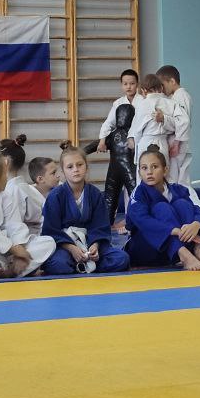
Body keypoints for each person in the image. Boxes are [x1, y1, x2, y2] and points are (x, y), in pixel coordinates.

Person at [126, 145, 200, 270]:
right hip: (146, 248)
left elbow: (198, 211)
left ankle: (197, 249)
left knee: (182, 204)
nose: (149, 172)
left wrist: (196, 224)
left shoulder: (178, 189)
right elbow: (143, 221)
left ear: (165, 170)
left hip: (169, 253)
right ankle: (185, 256)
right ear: (139, 172)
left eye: (155, 167)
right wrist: (174, 230)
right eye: (144, 168)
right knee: (161, 207)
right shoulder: (138, 193)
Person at [42, 142, 129, 275]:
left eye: (79, 165)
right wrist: (71, 248)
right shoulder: (55, 196)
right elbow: (51, 230)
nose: (75, 169)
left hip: (90, 243)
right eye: (70, 167)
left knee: (121, 259)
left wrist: (95, 246)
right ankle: (85, 265)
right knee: (58, 264)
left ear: (86, 167)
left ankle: (87, 263)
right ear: (63, 172)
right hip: (65, 246)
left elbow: (101, 226)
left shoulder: (95, 194)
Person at [98, 102, 137, 231]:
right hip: (127, 171)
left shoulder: (130, 135)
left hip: (116, 170)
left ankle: (130, 223)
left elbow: (95, 145)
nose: (122, 118)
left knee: (114, 196)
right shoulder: (130, 136)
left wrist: (82, 151)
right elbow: (97, 145)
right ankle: (112, 223)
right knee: (129, 195)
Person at [6, 155, 60, 238]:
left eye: (57, 171)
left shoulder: (60, 188)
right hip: (36, 235)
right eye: (53, 173)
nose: (58, 175)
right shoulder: (26, 193)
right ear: (40, 179)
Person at [157, 65, 192, 186]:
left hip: (178, 142)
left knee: (176, 178)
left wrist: (176, 143)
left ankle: (185, 202)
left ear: (172, 81)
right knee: (181, 177)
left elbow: (183, 121)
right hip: (179, 142)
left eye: (163, 85)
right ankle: (187, 201)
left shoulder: (180, 96)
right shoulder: (176, 96)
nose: (162, 89)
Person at [94, 68, 143, 153]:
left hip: (140, 139)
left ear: (137, 84)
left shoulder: (143, 101)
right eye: (125, 84)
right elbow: (109, 123)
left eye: (132, 83)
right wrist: (102, 141)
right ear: (121, 85)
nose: (128, 87)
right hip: (122, 141)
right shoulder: (118, 103)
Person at [128, 74, 175, 161]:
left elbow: (137, 131)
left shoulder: (143, 104)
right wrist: (164, 119)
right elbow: (176, 126)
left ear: (144, 90)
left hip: (146, 143)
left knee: (146, 172)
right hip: (163, 143)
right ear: (161, 88)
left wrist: (136, 154)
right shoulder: (170, 103)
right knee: (162, 172)